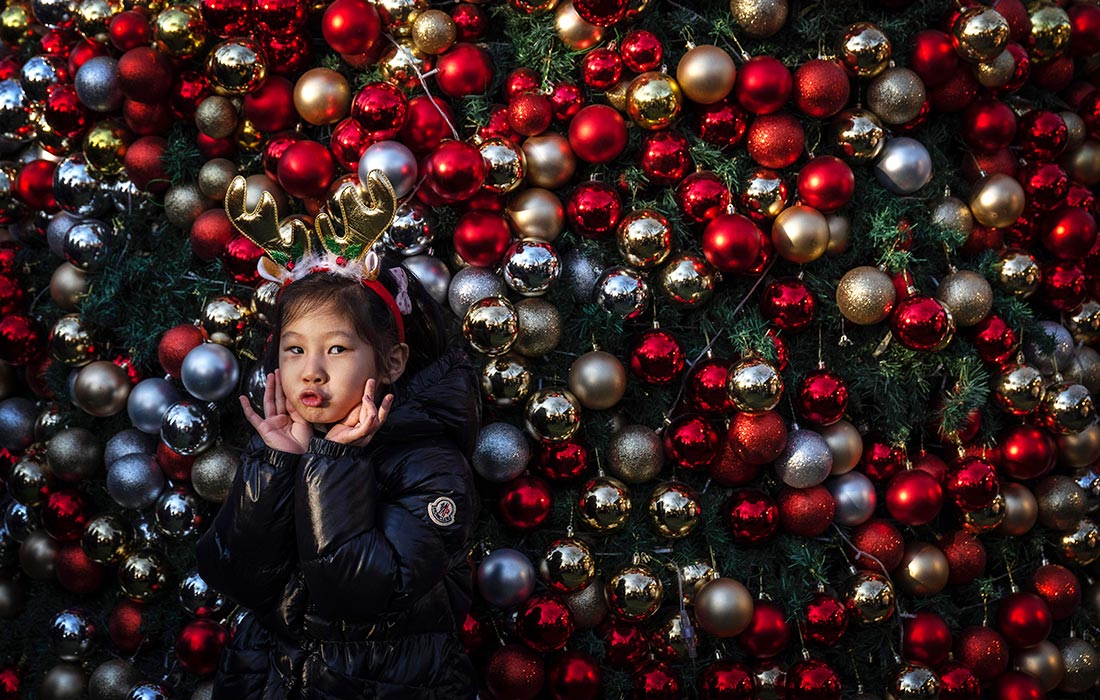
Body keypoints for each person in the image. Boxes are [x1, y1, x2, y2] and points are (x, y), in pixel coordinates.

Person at [196, 255, 482, 700]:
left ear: (391, 363)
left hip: (383, 686)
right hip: (267, 678)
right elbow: (234, 576)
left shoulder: (431, 465)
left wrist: (334, 463)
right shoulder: (283, 446)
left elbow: (359, 593)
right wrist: (275, 467)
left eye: (336, 349)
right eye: (295, 350)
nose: (311, 370)